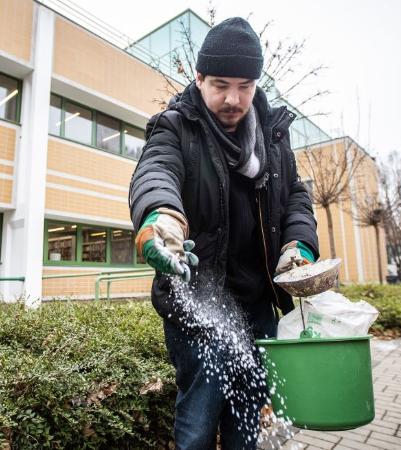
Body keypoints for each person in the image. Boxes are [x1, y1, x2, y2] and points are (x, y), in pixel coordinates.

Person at [128, 17, 320, 449]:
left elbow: (295, 198)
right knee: (196, 424)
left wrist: (298, 246)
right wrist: (162, 221)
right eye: (220, 84)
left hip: (258, 305)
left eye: (245, 85)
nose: (233, 98)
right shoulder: (175, 127)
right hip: (198, 304)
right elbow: (156, 172)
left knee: (247, 421)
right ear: (198, 78)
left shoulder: (273, 136)